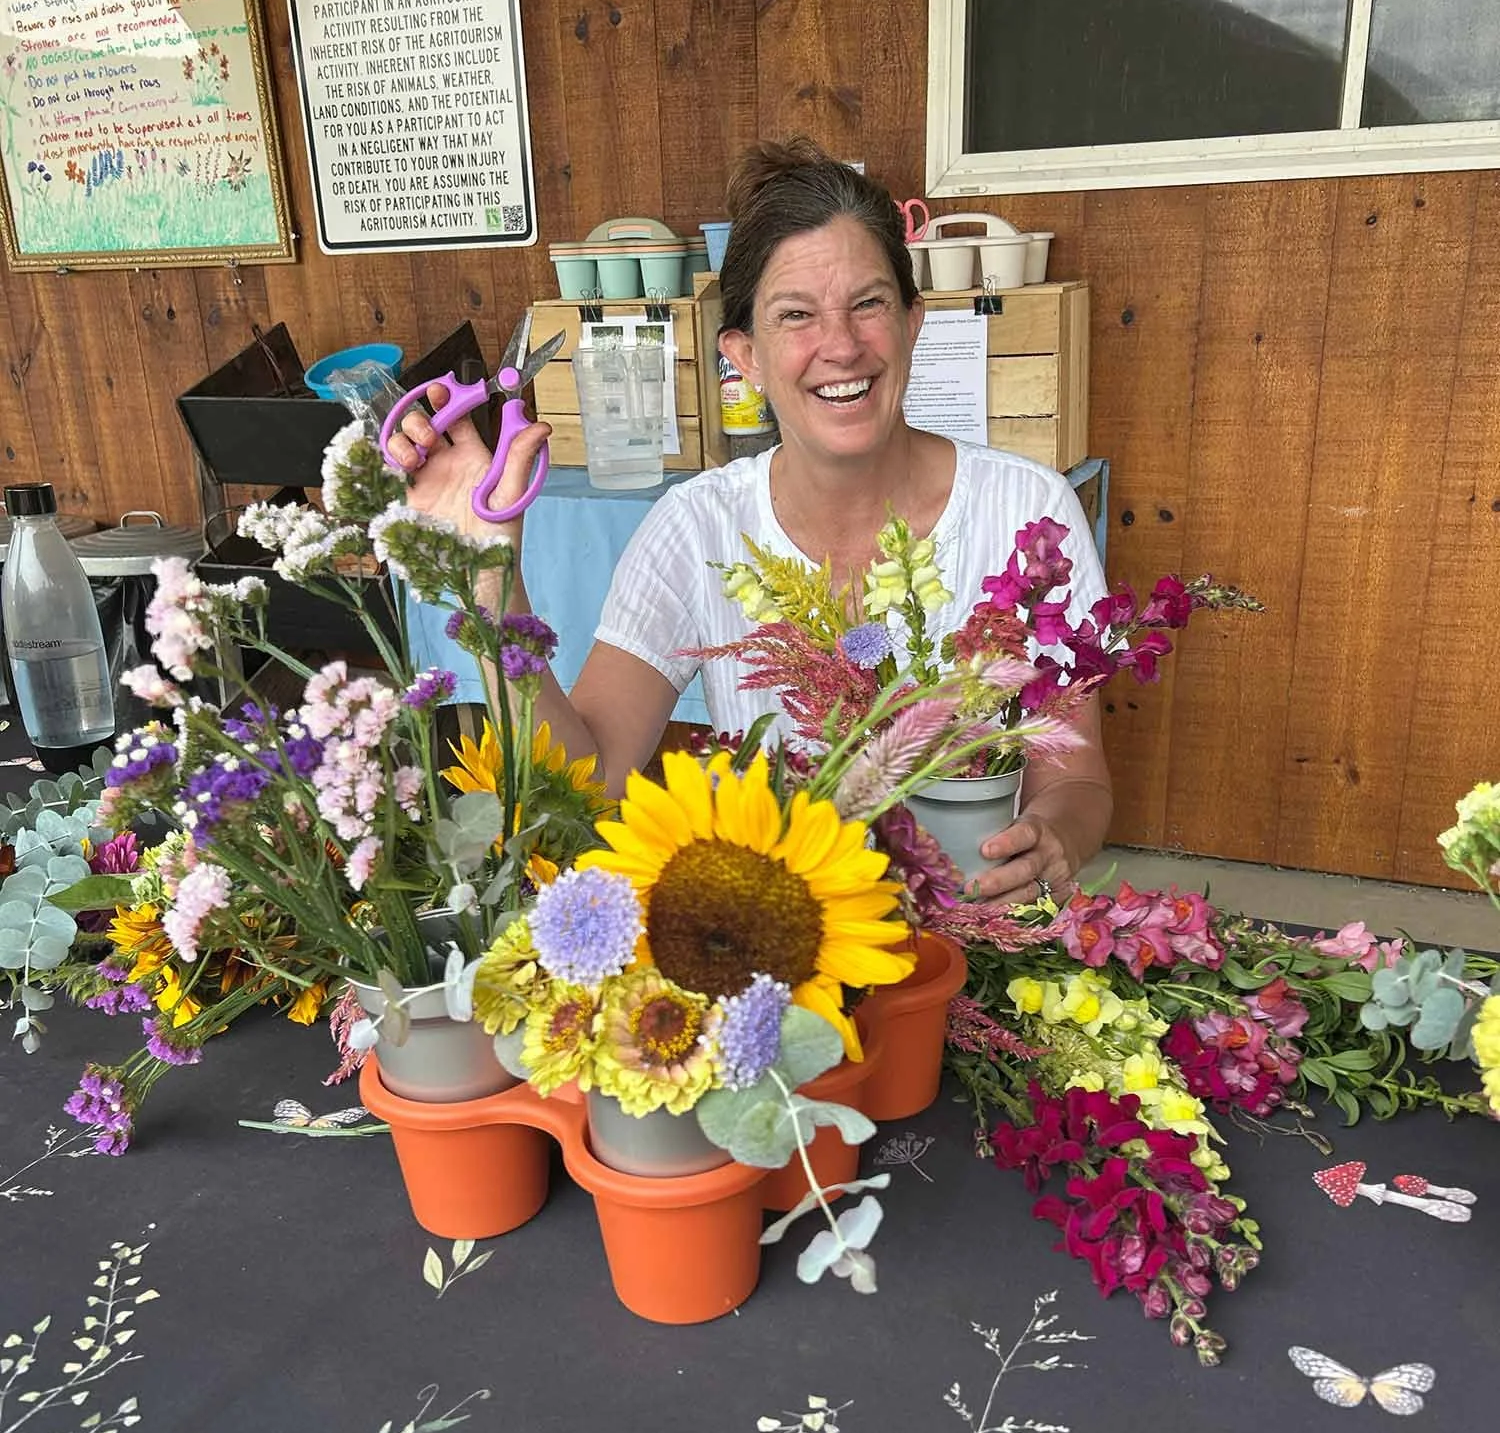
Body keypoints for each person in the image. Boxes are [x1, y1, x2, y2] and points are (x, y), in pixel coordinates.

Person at [386, 139, 1113, 907]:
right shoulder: (698, 527)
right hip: (779, 956)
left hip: (976, 938)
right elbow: (590, 779)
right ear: (745, 356)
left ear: (912, 324)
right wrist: (489, 593)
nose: (840, 346)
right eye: (795, 315)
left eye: (868, 304)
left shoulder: (1027, 515)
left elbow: (1078, 778)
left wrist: (1053, 840)